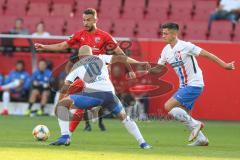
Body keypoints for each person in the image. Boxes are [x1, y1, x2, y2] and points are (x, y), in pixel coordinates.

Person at [34, 8, 137, 135]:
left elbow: (120, 53)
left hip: (99, 74)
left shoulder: (105, 36)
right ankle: (70, 130)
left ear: (95, 20)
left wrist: (130, 69)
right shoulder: (79, 34)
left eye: (88, 20)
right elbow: (63, 45)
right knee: (72, 97)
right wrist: (45, 47)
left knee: (84, 101)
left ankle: (74, 128)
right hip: (83, 72)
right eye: (83, 20)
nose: (85, 23)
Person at [148, 23, 235, 146]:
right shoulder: (166, 50)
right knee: (178, 113)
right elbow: (159, 68)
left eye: (165, 33)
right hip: (184, 86)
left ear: (174, 34)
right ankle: (202, 139)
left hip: (194, 84)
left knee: (168, 106)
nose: (163, 36)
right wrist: (149, 70)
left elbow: (208, 55)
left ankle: (196, 124)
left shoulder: (186, 46)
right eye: (162, 33)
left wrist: (224, 65)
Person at [50, 45, 151, 149]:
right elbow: (121, 58)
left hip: (92, 96)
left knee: (62, 104)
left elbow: (65, 86)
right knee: (124, 117)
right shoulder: (101, 57)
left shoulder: (77, 66)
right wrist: (139, 63)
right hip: (110, 96)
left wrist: (59, 102)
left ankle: (65, 136)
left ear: (79, 57)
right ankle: (143, 143)